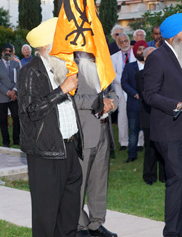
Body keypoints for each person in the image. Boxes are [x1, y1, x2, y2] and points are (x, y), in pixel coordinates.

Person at [17, 18, 82, 237]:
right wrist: (62, 90)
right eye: (62, 40)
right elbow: (30, 111)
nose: (67, 46)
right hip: (46, 153)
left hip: (70, 149)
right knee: (47, 215)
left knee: (70, 211)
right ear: (49, 44)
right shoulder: (30, 71)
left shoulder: (59, 67)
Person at [143, 13, 182, 237]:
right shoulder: (157, 57)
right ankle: (172, 232)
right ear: (172, 35)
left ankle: (179, 229)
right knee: (178, 180)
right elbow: (149, 94)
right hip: (170, 130)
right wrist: (177, 105)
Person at [74, 52, 119, 237]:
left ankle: (96, 224)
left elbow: (113, 92)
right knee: (79, 182)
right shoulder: (71, 65)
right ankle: (79, 225)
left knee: (99, 181)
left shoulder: (102, 64)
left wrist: (112, 103)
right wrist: (98, 102)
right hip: (84, 134)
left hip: (103, 131)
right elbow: (69, 98)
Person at [136, 47, 166, 185]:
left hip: (163, 114)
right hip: (148, 114)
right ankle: (149, 176)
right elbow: (146, 96)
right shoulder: (140, 75)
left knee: (164, 145)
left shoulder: (165, 72)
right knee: (150, 147)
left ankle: (164, 176)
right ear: (145, 58)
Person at [121, 40, 148, 163]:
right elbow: (124, 83)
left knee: (150, 131)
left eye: (144, 49)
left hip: (149, 105)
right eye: (139, 49)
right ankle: (132, 154)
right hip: (134, 104)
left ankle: (152, 155)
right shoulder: (129, 66)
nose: (142, 52)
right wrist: (135, 94)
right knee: (133, 131)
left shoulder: (152, 66)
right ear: (135, 51)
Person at [0, 43, 21, 147]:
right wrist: (8, 92)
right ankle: (6, 141)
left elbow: (19, 79)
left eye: (10, 51)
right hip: (2, 97)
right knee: (3, 120)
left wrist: (14, 90)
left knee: (17, 118)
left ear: (12, 52)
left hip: (15, 96)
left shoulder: (16, 64)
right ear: (2, 52)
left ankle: (17, 139)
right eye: (5, 51)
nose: (7, 53)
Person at [111, 33, 135, 150]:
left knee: (137, 115)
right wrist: (124, 81)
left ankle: (139, 142)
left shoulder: (135, 53)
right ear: (118, 44)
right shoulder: (113, 57)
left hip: (135, 89)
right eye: (122, 42)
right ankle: (123, 142)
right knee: (122, 116)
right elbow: (112, 74)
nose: (124, 43)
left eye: (126, 41)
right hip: (120, 89)